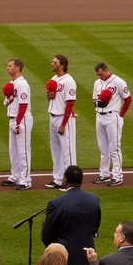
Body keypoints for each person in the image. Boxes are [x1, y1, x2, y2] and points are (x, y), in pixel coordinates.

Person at [41, 165, 101, 265]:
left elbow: (47, 236)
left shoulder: (56, 203)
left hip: (64, 262)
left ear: (65, 180)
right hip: (87, 258)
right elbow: (95, 227)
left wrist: (57, 251)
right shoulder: (94, 199)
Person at [92, 62, 131, 187]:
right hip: (99, 116)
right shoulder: (97, 83)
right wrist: (98, 104)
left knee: (114, 148)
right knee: (103, 148)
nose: (100, 77)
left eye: (101, 74)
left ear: (107, 70)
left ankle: (118, 176)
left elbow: (128, 99)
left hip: (112, 117)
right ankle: (104, 174)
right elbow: (94, 100)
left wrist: (121, 115)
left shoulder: (118, 81)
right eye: (98, 75)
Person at [46, 55, 77, 190]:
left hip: (64, 119)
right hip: (53, 117)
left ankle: (71, 182)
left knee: (67, 152)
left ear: (62, 65)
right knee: (56, 151)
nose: (52, 64)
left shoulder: (69, 81)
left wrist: (63, 124)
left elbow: (70, 103)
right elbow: (53, 100)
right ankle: (58, 179)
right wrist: (49, 96)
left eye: (55, 62)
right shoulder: (54, 79)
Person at [4, 57, 33, 190]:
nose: (8, 68)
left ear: (17, 68)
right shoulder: (12, 83)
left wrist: (18, 123)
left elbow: (23, 105)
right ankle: (15, 175)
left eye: (10, 66)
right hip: (13, 118)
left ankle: (26, 180)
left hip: (21, 120)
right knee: (13, 150)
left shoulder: (22, 84)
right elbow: (11, 101)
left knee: (23, 150)